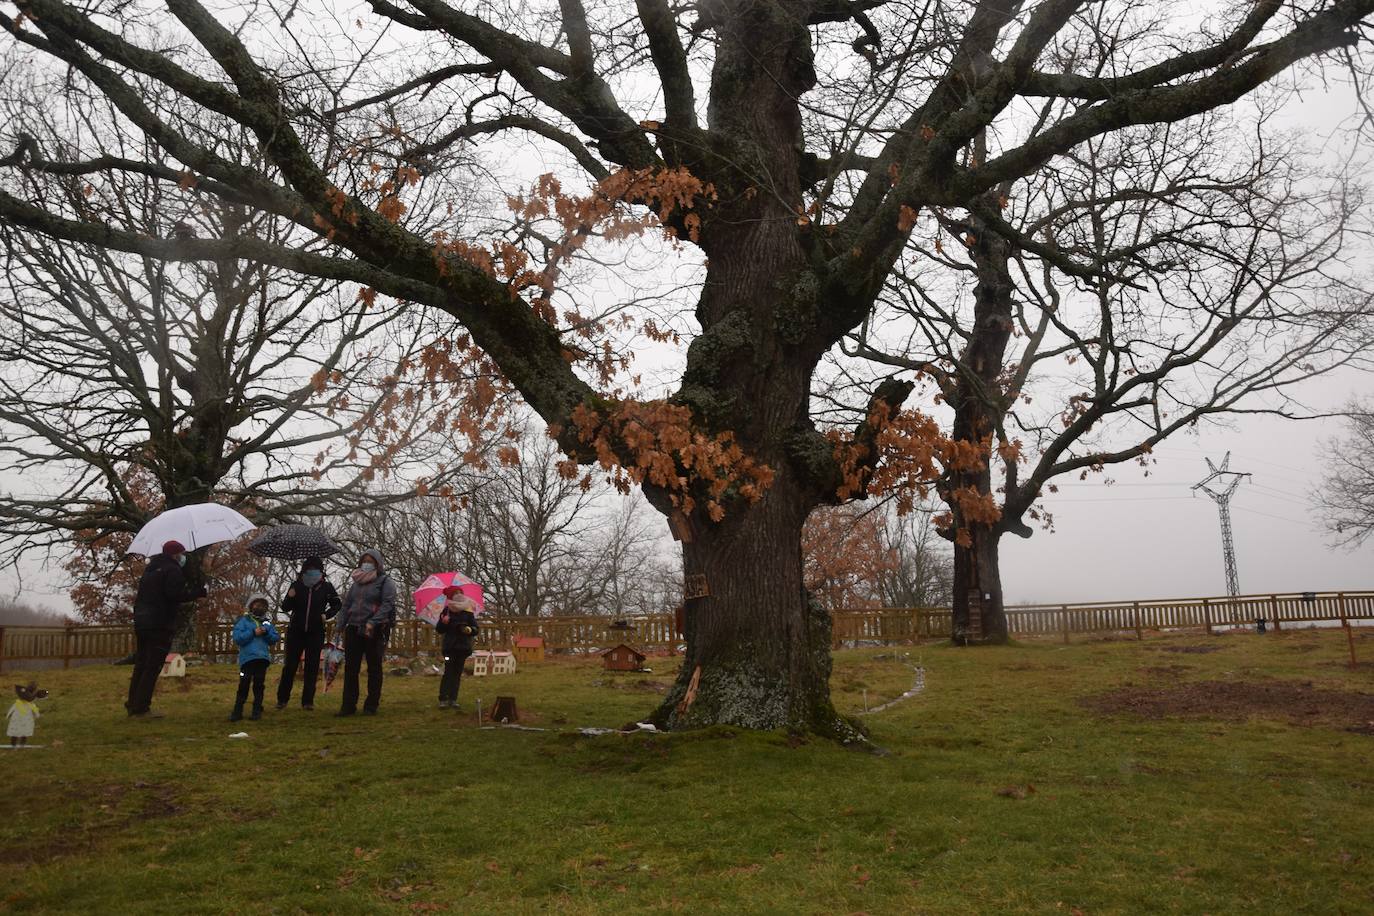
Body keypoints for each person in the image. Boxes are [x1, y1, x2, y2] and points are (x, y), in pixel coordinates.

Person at [126, 540, 208, 719]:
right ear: (176, 554)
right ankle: (141, 708)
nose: (183, 557)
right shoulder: (172, 570)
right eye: (182, 554)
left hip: (142, 622)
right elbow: (175, 595)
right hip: (160, 623)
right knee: (153, 666)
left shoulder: (150, 569)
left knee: (141, 664)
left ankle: (132, 703)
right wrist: (198, 592)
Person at [275, 557, 341, 710]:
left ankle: (307, 702)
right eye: (309, 568)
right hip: (295, 632)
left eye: (315, 568)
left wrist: (327, 614)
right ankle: (282, 699)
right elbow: (285, 607)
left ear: (321, 571)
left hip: (315, 632)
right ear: (304, 570)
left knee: (311, 667)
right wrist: (290, 596)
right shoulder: (297, 585)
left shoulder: (326, 587)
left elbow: (337, 603)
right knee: (290, 666)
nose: (312, 571)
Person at [335, 548, 396, 717]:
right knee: (351, 668)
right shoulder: (356, 583)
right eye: (364, 561)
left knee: (374, 668)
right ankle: (348, 705)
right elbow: (347, 605)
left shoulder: (385, 582)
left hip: (374, 630)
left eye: (370, 561)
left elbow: (387, 604)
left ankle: (371, 705)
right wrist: (341, 624)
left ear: (377, 564)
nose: (366, 564)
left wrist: (373, 621)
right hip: (354, 628)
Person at [230, 594, 281, 722]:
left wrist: (266, 633)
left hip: (262, 659)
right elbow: (238, 638)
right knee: (244, 684)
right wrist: (253, 633)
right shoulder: (244, 621)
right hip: (247, 659)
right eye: (257, 605)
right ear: (251, 606)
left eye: (263, 606)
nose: (260, 608)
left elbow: (274, 638)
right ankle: (237, 711)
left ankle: (256, 710)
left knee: (259, 684)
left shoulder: (267, 623)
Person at [434, 589, 479, 710]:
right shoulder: (447, 611)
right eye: (455, 593)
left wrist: (469, 630)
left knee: (457, 673)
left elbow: (476, 629)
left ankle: (453, 699)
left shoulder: (468, 612)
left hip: (463, 649)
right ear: (451, 597)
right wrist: (444, 623)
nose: (458, 595)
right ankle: (443, 698)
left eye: (460, 593)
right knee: (448, 671)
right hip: (449, 649)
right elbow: (439, 629)